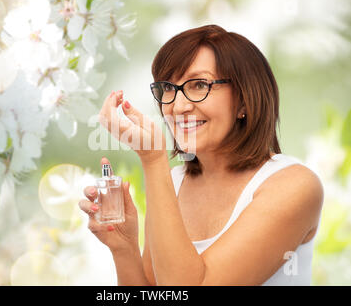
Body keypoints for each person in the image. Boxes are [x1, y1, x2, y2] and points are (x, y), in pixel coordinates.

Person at [78, 24, 324, 285]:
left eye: (198, 85)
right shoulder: (173, 182)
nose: (178, 106)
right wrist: (124, 248)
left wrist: (152, 159)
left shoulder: (295, 186)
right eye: (169, 88)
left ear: (243, 100)